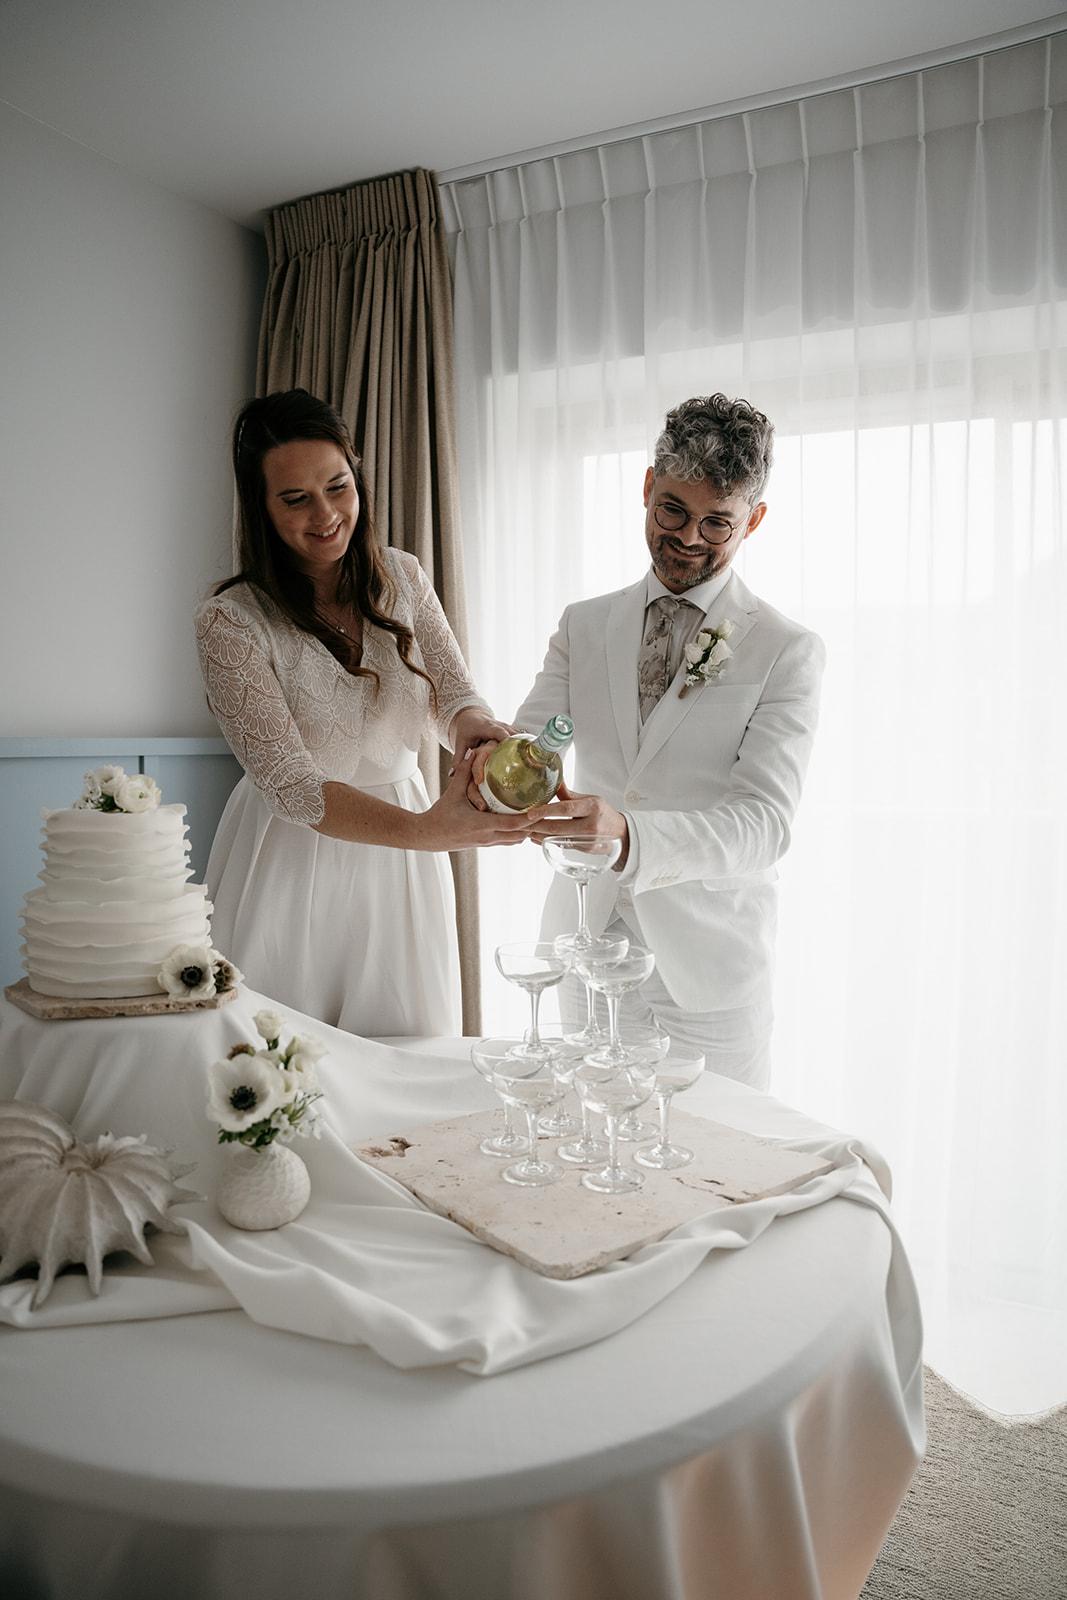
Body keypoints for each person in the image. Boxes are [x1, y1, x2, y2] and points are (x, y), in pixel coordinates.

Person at [507, 394, 825, 1089]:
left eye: (717, 523)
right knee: (589, 1133)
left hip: (710, 972)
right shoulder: (583, 625)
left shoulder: (785, 648)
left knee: (718, 1146)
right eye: (672, 511)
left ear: (753, 520)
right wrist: (501, 771)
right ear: (648, 486)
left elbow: (764, 825)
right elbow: (533, 741)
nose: (688, 538)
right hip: (584, 943)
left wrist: (629, 836)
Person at [195, 389, 536, 1038]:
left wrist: (474, 726)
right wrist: (426, 832)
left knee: (407, 1049)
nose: (326, 515)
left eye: (337, 486)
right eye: (295, 498)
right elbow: (291, 787)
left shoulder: (403, 577)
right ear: (260, 508)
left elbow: (451, 695)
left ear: (357, 477)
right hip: (290, 854)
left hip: (401, 864)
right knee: (280, 1062)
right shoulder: (229, 621)